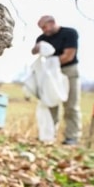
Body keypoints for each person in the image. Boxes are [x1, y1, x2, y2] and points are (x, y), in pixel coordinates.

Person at [31, 15, 81, 145]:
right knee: (50, 104)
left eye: (44, 27)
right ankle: (48, 135)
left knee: (71, 106)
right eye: (41, 28)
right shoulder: (42, 38)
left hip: (68, 72)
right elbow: (34, 52)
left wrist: (51, 63)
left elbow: (68, 56)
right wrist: (37, 48)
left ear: (52, 23)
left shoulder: (69, 33)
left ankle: (72, 137)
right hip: (50, 74)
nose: (44, 30)